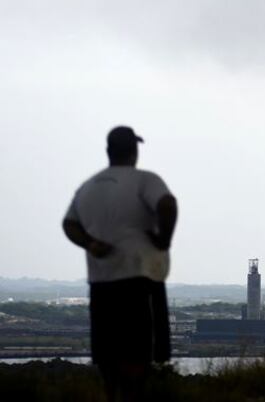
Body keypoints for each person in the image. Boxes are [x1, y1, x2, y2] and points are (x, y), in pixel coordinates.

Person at [62, 126, 178, 402]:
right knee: (139, 356)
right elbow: (167, 204)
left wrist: (90, 244)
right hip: (140, 278)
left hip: (101, 282)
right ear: (135, 151)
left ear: (108, 151)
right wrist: (164, 240)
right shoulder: (145, 180)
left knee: (108, 357)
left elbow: (69, 224)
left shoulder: (88, 186)